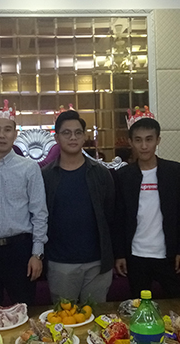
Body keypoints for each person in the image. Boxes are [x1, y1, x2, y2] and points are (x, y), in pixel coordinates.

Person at [0, 100, 48, 306]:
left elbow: (39, 213)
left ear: (15, 133)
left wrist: (37, 254)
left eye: (7, 130)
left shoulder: (29, 168)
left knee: (23, 309)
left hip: (20, 249)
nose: (1, 135)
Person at [114, 106, 180, 298]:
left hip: (168, 254)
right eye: (138, 140)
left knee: (176, 305)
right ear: (130, 142)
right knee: (140, 307)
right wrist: (120, 254)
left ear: (158, 140)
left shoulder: (174, 171)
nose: (144, 146)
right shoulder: (123, 176)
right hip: (136, 255)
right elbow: (118, 218)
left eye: (149, 139)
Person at [42, 109, 115, 303]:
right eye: (66, 133)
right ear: (56, 138)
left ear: (84, 137)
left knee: (96, 316)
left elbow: (110, 215)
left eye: (78, 133)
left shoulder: (100, 173)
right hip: (60, 264)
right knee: (64, 318)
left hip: (97, 263)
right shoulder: (46, 176)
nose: (73, 137)